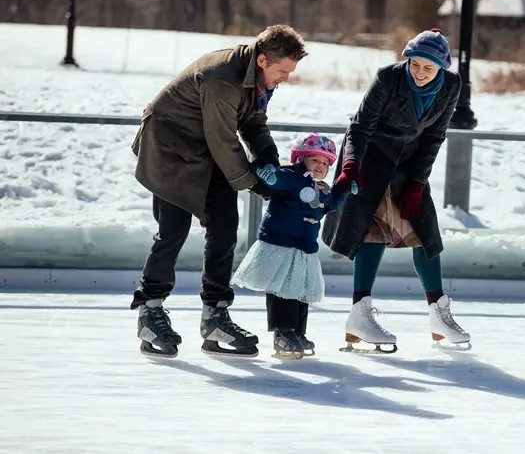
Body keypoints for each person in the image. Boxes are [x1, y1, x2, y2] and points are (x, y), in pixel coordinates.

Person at [130, 24, 308, 359]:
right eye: (282, 71)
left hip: (206, 150)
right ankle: (150, 311)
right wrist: (254, 182)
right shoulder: (222, 78)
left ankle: (215, 315)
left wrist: (268, 159)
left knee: (225, 227)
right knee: (173, 231)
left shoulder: (257, 78)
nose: (285, 78)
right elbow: (223, 140)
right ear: (263, 60)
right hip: (170, 147)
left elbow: (252, 122)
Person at [321, 28, 472, 353]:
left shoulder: (451, 86)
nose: (419, 72)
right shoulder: (389, 79)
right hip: (370, 156)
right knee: (373, 229)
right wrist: (350, 167)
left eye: (428, 68)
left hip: (408, 159)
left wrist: (417, 184)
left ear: (441, 69)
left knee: (423, 230)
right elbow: (361, 126)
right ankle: (359, 313)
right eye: (415, 64)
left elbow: (433, 137)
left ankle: (438, 314)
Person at [231, 133, 355, 359]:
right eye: (315, 160)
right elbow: (278, 180)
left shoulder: (322, 188)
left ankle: (298, 332)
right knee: (282, 289)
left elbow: (330, 204)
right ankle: (282, 332)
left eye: (325, 163)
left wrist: (345, 187)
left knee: (300, 291)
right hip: (281, 243)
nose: (320, 166)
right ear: (301, 159)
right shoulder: (292, 176)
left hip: (304, 247)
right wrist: (268, 175)